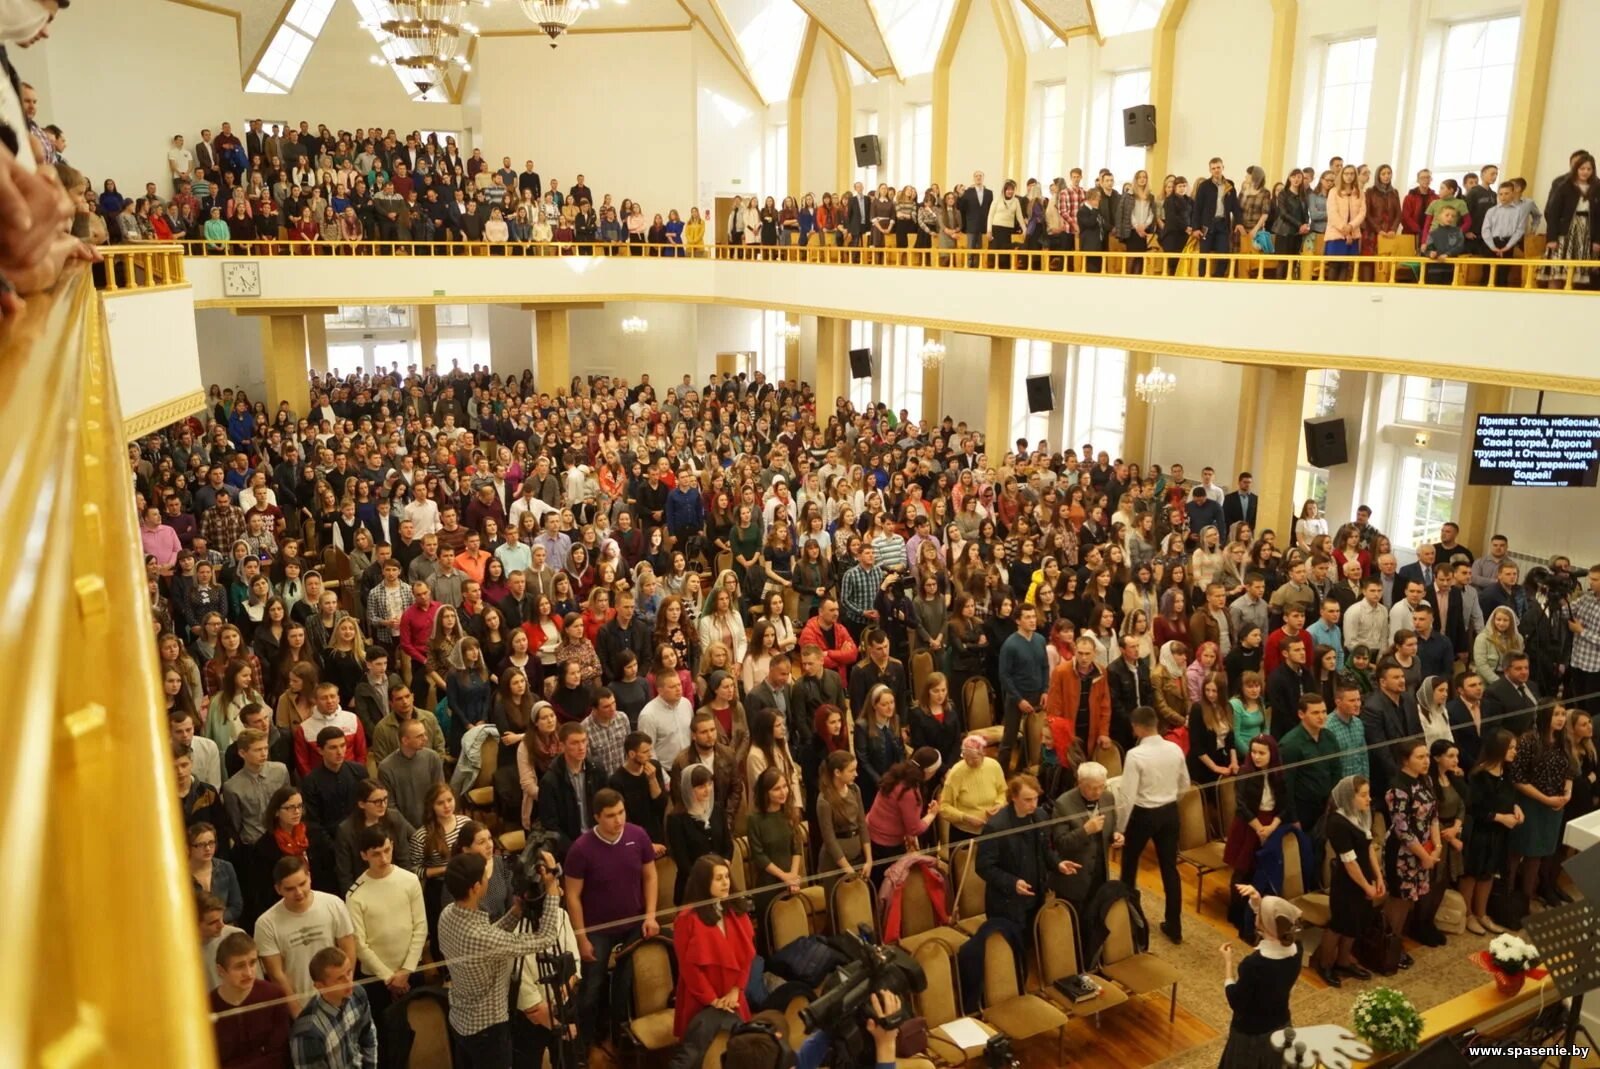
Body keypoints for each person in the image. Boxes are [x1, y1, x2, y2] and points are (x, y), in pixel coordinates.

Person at [437, 853, 556, 1069]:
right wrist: (553, 890)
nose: (487, 881)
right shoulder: (481, 937)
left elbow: (488, 941)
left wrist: (516, 912)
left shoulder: (447, 915)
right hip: (487, 1030)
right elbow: (546, 937)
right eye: (484, 877)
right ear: (475, 887)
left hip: (461, 1021)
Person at [565, 789, 661, 1054]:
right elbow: (572, 896)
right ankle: (583, 1043)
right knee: (591, 987)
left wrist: (651, 915)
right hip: (598, 930)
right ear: (596, 817)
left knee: (626, 982)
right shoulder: (581, 849)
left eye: (621, 812)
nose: (618, 820)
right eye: (610, 816)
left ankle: (620, 1038)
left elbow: (650, 877)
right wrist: (582, 938)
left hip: (634, 924)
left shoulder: (638, 835)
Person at [669, 856, 757, 1069]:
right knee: (703, 1058)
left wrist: (736, 990)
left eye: (727, 876)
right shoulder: (686, 919)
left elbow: (747, 957)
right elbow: (688, 968)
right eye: (719, 878)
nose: (726, 882)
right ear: (703, 882)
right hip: (700, 998)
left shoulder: (737, 910)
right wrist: (713, 1000)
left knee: (739, 1052)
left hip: (733, 996)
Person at [975, 774, 1080, 936]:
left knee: (1033, 942)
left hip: (1035, 895)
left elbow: (1045, 850)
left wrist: (1058, 864)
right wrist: (1012, 882)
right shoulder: (996, 827)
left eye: (1035, 799)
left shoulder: (1040, 816)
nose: (1033, 804)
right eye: (1027, 800)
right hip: (1007, 902)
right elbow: (984, 867)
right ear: (1014, 798)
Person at [1118, 706, 1189, 943]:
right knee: (1170, 868)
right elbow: (1185, 784)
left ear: (1137, 727)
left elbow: (1128, 796)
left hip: (1143, 813)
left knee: (1129, 865)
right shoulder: (1174, 748)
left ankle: (1129, 919)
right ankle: (1175, 926)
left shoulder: (1135, 755)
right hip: (1169, 811)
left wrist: (1119, 828)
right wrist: (1170, 800)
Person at [255, 857, 357, 1018]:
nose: (299, 892)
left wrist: (345, 988)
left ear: (309, 876)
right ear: (278, 889)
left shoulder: (333, 904)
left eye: (302, 884)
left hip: (338, 996)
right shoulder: (266, 923)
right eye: (290, 889)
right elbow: (276, 974)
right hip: (302, 1004)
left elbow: (348, 948)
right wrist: (297, 1011)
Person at [345, 825, 426, 1025]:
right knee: (383, 1032)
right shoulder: (355, 894)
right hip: (377, 977)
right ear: (364, 855)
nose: (384, 858)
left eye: (387, 850)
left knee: (421, 1028)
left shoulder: (409, 880)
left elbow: (420, 927)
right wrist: (389, 978)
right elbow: (360, 944)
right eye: (376, 854)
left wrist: (406, 970)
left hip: (411, 968)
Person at [1219, 889, 1304, 1069]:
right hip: (1280, 1024)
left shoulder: (1254, 965)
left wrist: (1228, 965)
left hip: (1251, 1035)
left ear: (1262, 924)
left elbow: (1236, 1001)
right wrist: (1258, 902)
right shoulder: (1297, 949)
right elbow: (1271, 923)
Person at [1314, 776, 1382, 987]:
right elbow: (1349, 861)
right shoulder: (1337, 822)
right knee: (1339, 924)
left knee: (1356, 922)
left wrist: (1378, 877)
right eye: (1363, 795)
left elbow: (1369, 847)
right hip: (1347, 883)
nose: (1368, 799)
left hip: (1365, 878)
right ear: (1348, 797)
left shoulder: (1360, 815)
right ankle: (1324, 964)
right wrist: (1366, 886)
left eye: (1368, 794)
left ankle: (1344, 961)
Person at [1384, 739, 1442, 967]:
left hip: (1425, 849)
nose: (1426, 761)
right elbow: (1402, 829)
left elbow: (1433, 815)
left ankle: (1400, 940)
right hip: (1402, 853)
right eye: (1420, 757)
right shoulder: (1397, 788)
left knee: (1412, 899)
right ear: (1405, 760)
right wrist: (1425, 855)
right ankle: (1390, 944)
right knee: (1400, 899)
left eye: (1427, 756)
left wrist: (1437, 847)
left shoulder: (1425, 780)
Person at [1509, 703, 1573, 908]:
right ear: (1545, 715)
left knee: (1540, 853)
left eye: (1563, 714)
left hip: (1555, 805)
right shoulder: (1529, 740)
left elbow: (1569, 770)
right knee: (1520, 850)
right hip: (1531, 802)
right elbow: (1517, 778)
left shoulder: (1563, 740)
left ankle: (1528, 895)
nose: (1561, 719)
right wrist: (1545, 799)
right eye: (1556, 714)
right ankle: (1509, 897)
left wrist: (1567, 793)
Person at [210, 930, 292, 1069]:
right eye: (239, 966)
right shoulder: (206, 1007)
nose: (248, 973)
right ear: (221, 970)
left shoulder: (274, 995)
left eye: (253, 963)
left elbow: (279, 1053)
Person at [864, 748, 942, 890]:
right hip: (886, 845)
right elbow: (915, 828)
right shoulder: (909, 791)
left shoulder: (898, 774)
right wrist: (932, 814)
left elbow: (898, 812)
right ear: (929, 771)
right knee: (887, 889)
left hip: (873, 836)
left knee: (876, 887)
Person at [288, 946, 378, 1069]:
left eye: (349, 972)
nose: (349, 982)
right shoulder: (307, 1032)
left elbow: (368, 1036)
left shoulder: (358, 993)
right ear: (320, 986)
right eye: (340, 978)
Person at [1050, 761, 1120, 910]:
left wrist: (1116, 835)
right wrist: (1085, 831)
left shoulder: (1108, 797)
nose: (1098, 792)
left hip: (1100, 873)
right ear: (1080, 782)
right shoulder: (1063, 804)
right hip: (1074, 878)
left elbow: (1112, 825)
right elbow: (1060, 844)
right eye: (1093, 788)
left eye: (1102, 786)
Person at [997, 603, 1049, 775]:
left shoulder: (1040, 640)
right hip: (1016, 697)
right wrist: (1018, 699)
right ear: (1018, 621)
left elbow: (1044, 667)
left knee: (1034, 735)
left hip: (1037, 695)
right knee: (1009, 738)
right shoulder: (1010, 644)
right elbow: (1005, 676)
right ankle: (1002, 774)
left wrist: (1045, 690)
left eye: (1034, 616)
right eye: (1027, 617)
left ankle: (1022, 769)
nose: (1032, 620)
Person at [937, 734, 1006, 843]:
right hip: (964, 833)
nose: (969, 762)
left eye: (974, 758)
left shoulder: (994, 766)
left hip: (992, 827)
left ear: (983, 753)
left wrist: (999, 804)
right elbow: (944, 806)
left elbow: (1003, 792)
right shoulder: (956, 772)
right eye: (965, 757)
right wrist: (965, 818)